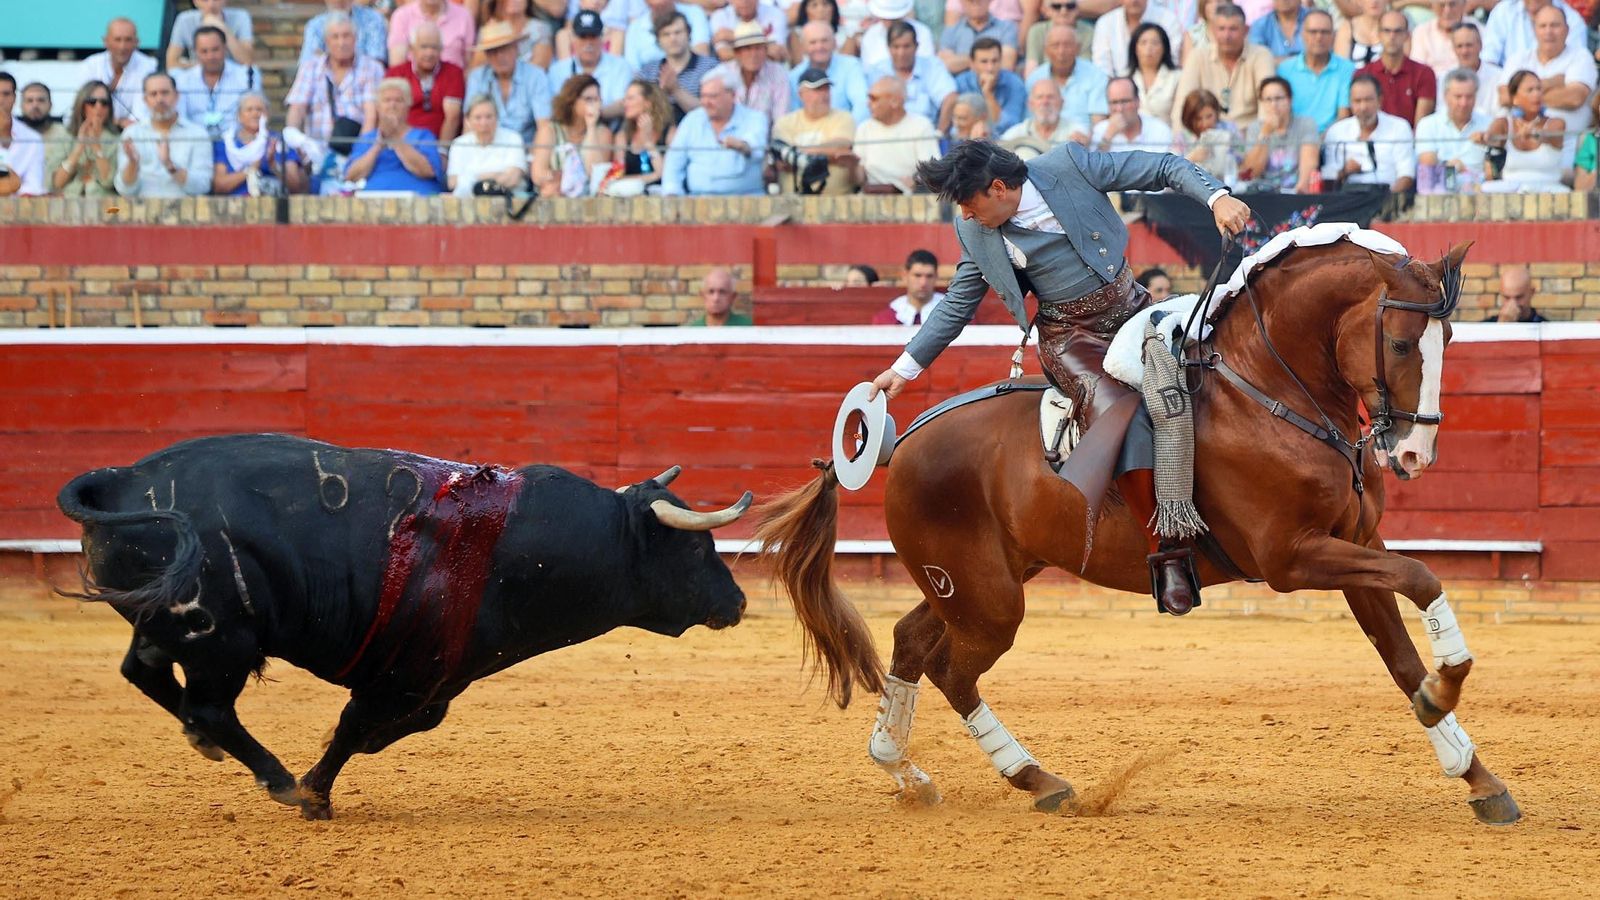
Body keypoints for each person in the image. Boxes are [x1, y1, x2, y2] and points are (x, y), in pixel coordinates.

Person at [867, 139, 1253, 615]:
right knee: (1122, 413)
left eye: (969, 203)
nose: (965, 215)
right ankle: (1167, 554)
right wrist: (903, 369)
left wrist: (1217, 197)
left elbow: (1162, 167)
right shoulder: (977, 232)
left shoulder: (1068, 166)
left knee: (1211, 377)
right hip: (1072, 341)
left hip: (1134, 313)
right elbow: (957, 304)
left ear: (999, 188)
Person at [1497, 4, 1595, 166]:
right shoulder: (1518, 58)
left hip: (1565, 151)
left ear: (1567, 30)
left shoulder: (1581, 57)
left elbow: (1574, 98)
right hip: (1516, 150)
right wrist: (1551, 83)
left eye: (1555, 25)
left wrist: (1523, 93)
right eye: (1543, 26)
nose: (1548, 31)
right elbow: (1505, 96)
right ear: (1534, 30)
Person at [286, 14, 384, 160]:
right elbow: (297, 107)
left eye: (346, 36)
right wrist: (294, 137)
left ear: (355, 38)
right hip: (316, 153)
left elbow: (371, 116)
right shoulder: (311, 67)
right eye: (335, 37)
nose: (341, 42)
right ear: (326, 41)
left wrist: (360, 155)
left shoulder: (372, 68)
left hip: (356, 152)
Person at [1170, 4, 1277, 130]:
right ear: (1213, 30)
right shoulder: (1198, 56)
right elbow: (1182, 104)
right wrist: (1181, 140)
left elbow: (1269, 104)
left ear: (1246, 30)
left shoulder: (1261, 55)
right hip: (1206, 136)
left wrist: (1260, 140)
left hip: (1249, 137)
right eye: (1221, 29)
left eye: (1233, 29)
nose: (1227, 36)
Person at [661, 73, 769, 194]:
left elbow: (756, 147)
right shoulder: (692, 120)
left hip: (747, 202)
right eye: (703, 96)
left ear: (732, 95)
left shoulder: (755, 118)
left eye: (712, 96)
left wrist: (742, 146)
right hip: (698, 203)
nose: (706, 102)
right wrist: (672, 193)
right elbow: (674, 161)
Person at [115, 73, 214, 197]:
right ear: (145, 100)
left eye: (165, 93)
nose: (159, 99)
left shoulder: (198, 134)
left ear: (176, 96)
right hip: (141, 211)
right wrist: (133, 164)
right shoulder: (132, 134)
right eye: (153, 94)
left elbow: (204, 185)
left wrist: (170, 166)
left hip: (185, 211)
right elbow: (124, 190)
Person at [345, 78, 445, 193]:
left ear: (408, 106)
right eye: (387, 100)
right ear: (378, 107)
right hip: (373, 200)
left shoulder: (423, 136)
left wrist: (396, 139)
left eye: (399, 100)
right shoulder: (367, 139)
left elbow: (428, 170)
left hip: (417, 199)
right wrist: (378, 146)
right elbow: (351, 176)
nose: (392, 105)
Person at [1320, 74, 1417, 193]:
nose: (1363, 107)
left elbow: (1406, 175)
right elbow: (1327, 176)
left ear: (1380, 100)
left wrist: (1386, 201)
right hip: (1347, 200)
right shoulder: (1336, 131)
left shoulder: (1399, 127)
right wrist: (1344, 171)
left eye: (1368, 100)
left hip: (1387, 198)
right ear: (1350, 102)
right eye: (1357, 101)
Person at [465, 20, 554, 142]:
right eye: (493, 51)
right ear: (487, 55)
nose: (500, 56)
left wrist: (536, 158)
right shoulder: (477, 77)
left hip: (526, 150)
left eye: (505, 49)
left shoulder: (536, 76)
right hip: (486, 148)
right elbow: (469, 123)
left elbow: (544, 126)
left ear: (516, 49)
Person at [772, 68, 858, 194]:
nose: (825, 94)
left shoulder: (844, 118)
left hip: (838, 201)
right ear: (801, 94)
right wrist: (828, 156)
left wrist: (798, 154)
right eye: (817, 90)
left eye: (826, 89)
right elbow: (782, 161)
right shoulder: (785, 123)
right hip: (793, 202)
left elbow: (841, 147)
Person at [212, 93, 312, 195]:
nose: (255, 114)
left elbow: (296, 186)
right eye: (249, 110)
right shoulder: (226, 144)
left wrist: (273, 165)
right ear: (239, 116)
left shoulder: (279, 141)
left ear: (267, 115)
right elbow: (219, 186)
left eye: (259, 109)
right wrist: (251, 170)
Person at [532, 74, 615, 197]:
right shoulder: (549, 131)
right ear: (572, 101)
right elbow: (537, 174)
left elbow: (595, 175)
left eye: (597, 100)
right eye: (588, 99)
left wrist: (591, 128)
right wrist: (560, 180)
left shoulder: (603, 133)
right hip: (553, 198)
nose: (594, 105)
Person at [1482, 70, 1565, 192]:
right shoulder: (1503, 123)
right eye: (1530, 90)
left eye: (1539, 89)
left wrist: (1536, 135)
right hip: (1510, 191)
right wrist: (1483, 138)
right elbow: (1490, 139)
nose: (1536, 94)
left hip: (1549, 190)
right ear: (1515, 98)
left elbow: (1549, 136)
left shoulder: (1556, 123)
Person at [173, 26, 264, 137]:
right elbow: (181, 118)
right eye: (204, 51)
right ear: (195, 52)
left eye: (215, 49)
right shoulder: (182, 79)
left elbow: (255, 113)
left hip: (237, 140)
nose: (210, 56)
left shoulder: (247, 75)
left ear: (225, 48)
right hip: (195, 141)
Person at [854, 77, 942, 191]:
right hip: (871, 197)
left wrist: (916, 181)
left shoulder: (921, 125)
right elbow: (859, 179)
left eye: (873, 99)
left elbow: (931, 171)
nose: (868, 104)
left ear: (895, 102)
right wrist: (851, 166)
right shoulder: (864, 128)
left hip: (909, 198)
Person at [386, 22, 467, 144]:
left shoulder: (453, 72)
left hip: (439, 143)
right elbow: (389, 115)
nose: (429, 53)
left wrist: (441, 152)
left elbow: (452, 117)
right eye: (424, 47)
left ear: (441, 49)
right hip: (402, 143)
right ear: (412, 48)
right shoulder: (396, 73)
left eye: (434, 47)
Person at [547, 11, 635, 120]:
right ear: (573, 38)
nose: (588, 43)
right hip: (570, 129)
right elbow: (554, 108)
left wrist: (595, 115)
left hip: (609, 128)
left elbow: (623, 103)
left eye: (593, 36)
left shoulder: (621, 66)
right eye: (583, 37)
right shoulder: (557, 70)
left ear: (602, 37)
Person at [1237, 75, 1319, 192]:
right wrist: (1265, 134)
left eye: (1279, 98)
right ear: (1262, 103)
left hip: (1294, 192)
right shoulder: (1255, 128)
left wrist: (1299, 193)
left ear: (1290, 100)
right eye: (1268, 100)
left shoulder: (1305, 124)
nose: (1273, 105)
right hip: (1262, 194)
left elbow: (1309, 164)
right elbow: (1252, 172)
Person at [867, 21, 958, 124]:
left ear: (916, 46)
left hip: (927, 134)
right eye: (896, 47)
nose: (901, 53)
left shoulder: (932, 66)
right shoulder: (877, 71)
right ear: (888, 47)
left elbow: (950, 98)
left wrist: (939, 135)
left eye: (906, 46)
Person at [1415, 69, 1490, 193]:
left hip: (1479, 194)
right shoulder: (1428, 124)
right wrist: (1452, 168)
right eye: (1458, 97)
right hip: (1439, 193)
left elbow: (1492, 172)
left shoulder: (1488, 124)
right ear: (1445, 96)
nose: (1463, 103)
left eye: (1469, 96)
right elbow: (1428, 169)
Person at [1277, 9, 1352, 133]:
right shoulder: (1284, 70)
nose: (1319, 37)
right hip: (1294, 140)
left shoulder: (1347, 69)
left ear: (1333, 36)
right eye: (1313, 32)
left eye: (1325, 32)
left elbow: (1343, 116)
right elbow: (1282, 113)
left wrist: (1319, 141)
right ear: (1302, 34)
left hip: (1332, 140)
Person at [640, 11, 721, 123]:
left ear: (688, 34)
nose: (673, 38)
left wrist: (676, 91)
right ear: (658, 40)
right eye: (666, 34)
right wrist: (660, 95)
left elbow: (712, 110)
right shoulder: (648, 71)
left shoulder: (710, 67)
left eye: (678, 32)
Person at [1357, 12, 1437, 125]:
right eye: (1387, 31)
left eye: (1398, 31)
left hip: (1410, 141)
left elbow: (1421, 126)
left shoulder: (1424, 73)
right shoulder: (1363, 74)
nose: (1392, 36)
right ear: (1378, 34)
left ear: (1407, 35)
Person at [1026, 24, 1109, 130]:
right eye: (1055, 45)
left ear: (1078, 48)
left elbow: (1098, 124)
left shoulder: (1096, 76)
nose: (1061, 51)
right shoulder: (1034, 78)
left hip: (1082, 142)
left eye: (1067, 45)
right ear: (1046, 50)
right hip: (1044, 141)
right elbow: (1030, 120)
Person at [80, 17, 160, 127]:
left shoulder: (149, 66)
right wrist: (118, 122)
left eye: (128, 40)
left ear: (137, 42)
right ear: (106, 41)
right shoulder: (90, 65)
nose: (122, 46)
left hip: (132, 134)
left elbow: (141, 117)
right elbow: (79, 110)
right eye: (117, 40)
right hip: (94, 129)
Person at [448, 94, 530, 196]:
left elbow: (513, 178)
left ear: (497, 118)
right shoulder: (459, 144)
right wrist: (494, 175)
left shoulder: (513, 138)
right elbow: (452, 182)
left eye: (489, 117)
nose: (484, 123)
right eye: (478, 118)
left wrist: (471, 178)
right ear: (468, 120)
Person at [48, 82, 119, 197]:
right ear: (81, 104)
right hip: (69, 205)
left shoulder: (117, 140)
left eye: (104, 103)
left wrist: (96, 146)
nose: (98, 107)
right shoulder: (66, 137)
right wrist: (78, 149)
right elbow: (57, 183)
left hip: (103, 205)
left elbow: (108, 182)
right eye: (92, 102)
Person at [791, 22, 870, 122]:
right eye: (813, 42)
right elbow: (794, 114)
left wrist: (847, 131)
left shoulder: (850, 66)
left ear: (835, 43)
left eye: (824, 41)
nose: (819, 47)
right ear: (803, 47)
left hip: (845, 131)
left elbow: (862, 104)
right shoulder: (794, 76)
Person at [608, 79, 675, 194]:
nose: (625, 103)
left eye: (630, 98)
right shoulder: (622, 137)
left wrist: (649, 143)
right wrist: (654, 176)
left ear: (648, 102)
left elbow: (668, 175)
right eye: (625, 99)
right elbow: (616, 178)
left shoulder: (670, 133)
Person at [715, 22, 792, 123]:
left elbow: (782, 119)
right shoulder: (721, 74)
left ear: (765, 51)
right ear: (737, 53)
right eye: (747, 49)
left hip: (765, 137)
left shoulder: (778, 73)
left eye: (758, 48)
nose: (753, 54)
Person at [949, 37, 1027, 135]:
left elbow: (1010, 126)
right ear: (972, 64)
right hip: (965, 140)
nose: (990, 68)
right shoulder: (960, 83)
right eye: (984, 62)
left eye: (995, 61)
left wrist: (988, 94)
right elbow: (954, 127)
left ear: (1001, 61)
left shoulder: (1015, 83)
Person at [1481, 0, 1587, 69]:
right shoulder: (1503, 11)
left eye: (1553, 25)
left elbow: (1577, 66)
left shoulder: (1573, 20)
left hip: (1557, 91)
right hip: (1509, 87)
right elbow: (1488, 61)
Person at [1091, 0, 1180, 78]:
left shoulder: (1168, 19)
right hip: (1117, 90)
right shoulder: (1105, 23)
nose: (1134, 0)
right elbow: (1101, 67)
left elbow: (1172, 60)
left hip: (1162, 87)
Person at [1090, 76, 1174, 153]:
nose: (1119, 109)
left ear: (1138, 101)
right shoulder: (1100, 130)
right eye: (1114, 102)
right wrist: (1108, 137)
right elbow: (1093, 167)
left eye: (1125, 101)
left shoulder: (1159, 130)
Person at [621, 0, 713, 71]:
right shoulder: (635, 27)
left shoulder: (695, 13)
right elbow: (632, 68)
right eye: (656, 6)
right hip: (651, 86)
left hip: (692, 76)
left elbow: (701, 53)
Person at [1003, 77, 1087, 152]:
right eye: (1040, 97)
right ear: (1030, 104)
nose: (1045, 102)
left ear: (1062, 103)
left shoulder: (1076, 132)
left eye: (1050, 97)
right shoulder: (1015, 134)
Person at [388, 0, 477, 68]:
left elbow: (469, 63)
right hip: (413, 86)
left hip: (452, 85)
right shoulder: (401, 16)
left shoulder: (464, 15)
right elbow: (397, 65)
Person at [300, 0, 390, 68]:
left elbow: (376, 62)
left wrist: (327, 58)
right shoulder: (315, 25)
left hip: (366, 83)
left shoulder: (372, 19)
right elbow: (308, 64)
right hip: (325, 84)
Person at [168, 0, 255, 69]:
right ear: (195, 2)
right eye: (204, 0)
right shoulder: (184, 20)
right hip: (197, 78)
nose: (211, 5)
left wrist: (223, 28)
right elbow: (171, 64)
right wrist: (206, 68)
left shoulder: (241, 17)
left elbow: (247, 61)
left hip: (233, 79)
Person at [941, 0, 1021, 74]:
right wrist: (985, 59)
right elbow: (945, 65)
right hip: (961, 87)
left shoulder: (1007, 28)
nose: (976, 1)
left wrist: (963, 62)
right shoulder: (951, 32)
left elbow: (1006, 65)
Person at [1175, 89, 1236, 183]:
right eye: (1198, 119)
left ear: (1216, 113)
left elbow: (1243, 162)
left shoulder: (1229, 130)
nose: (1205, 123)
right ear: (1189, 118)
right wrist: (1191, 158)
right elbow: (1172, 172)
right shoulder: (1182, 138)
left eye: (1209, 116)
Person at [1023, 0, 1096, 77]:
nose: (1063, 11)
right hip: (1044, 82)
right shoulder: (1037, 31)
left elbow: (1085, 68)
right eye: (1056, 6)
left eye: (1070, 6)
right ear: (1046, 10)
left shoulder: (1088, 31)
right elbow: (1031, 68)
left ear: (1077, 9)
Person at [473, 0, 554, 69]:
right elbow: (475, 71)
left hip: (529, 85)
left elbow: (540, 67)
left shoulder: (540, 28)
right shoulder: (489, 30)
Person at [858, 0, 937, 71]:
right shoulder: (870, 36)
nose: (889, 23)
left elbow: (928, 68)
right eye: (885, 18)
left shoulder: (922, 32)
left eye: (893, 19)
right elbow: (867, 71)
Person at [871, 249, 945, 324]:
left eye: (929, 276)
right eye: (917, 275)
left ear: (936, 277)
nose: (923, 283)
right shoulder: (887, 318)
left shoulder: (948, 312)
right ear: (905, 275)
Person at [0, 74, 45, 196]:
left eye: (6, 94)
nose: (0, 100)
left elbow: (34, 186)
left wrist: (10, 188)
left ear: (14, 98)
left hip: (18, 210)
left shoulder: (33, 139)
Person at [1126, 22, 1180, 122]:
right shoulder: (1124, 79)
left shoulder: (1177, 78)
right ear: (1135, 48)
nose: (1149, 48)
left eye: (1155, 43)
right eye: (1143, 43)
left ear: (1164, 48)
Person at [710, 0, 790, 61]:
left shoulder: (775, 14)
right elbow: (724, 54)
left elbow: (776, 52)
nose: (744, 1)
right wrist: (763, 45)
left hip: (769, 71)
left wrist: (734, 35)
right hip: (732, 73)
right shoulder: (719, 16)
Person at [1413, 0, 1471, 78]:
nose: (1447, 11)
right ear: (1433, 6)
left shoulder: (1479, 31)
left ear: (1464, 4)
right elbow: (1417, 70)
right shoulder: (1422, 32)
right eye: (1441, 5)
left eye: (1452, 4)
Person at [18, 83, 68, 161]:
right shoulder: (11, 134)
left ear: (50, 105)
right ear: (21, 106)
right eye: (29, 101)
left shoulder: (65, 134)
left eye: (41, 100)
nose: (35, 105)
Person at [685, 268, 753, 325]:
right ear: (703, 296)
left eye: (722, 292)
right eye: (711, 292)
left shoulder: (749, 328)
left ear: (733, 297)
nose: (716, 298)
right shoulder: (692, 332)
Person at [1335, 0, 1387, 69]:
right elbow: (1341, 67)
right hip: (1353, 77)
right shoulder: (1347, 28)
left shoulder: (1397, 27)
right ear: (1358, 1)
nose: (1374, 1)